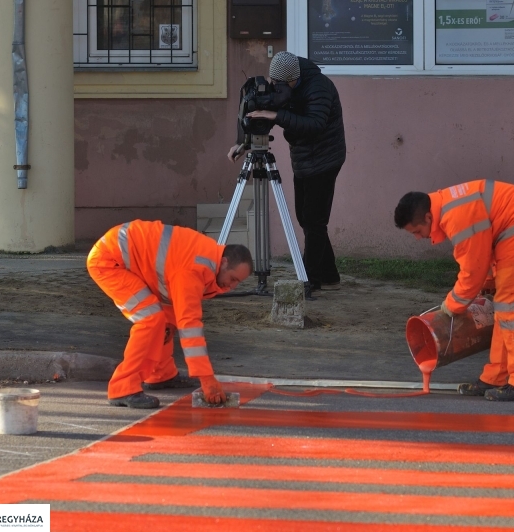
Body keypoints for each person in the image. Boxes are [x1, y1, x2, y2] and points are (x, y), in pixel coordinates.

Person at [394, 180, 514, 401]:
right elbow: (482, 249)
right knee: (504, 312)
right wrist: (490, 280)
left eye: (417, 231)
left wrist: (453, 305)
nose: (418, 237)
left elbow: (473, 268)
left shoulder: (456, 216)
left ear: (428, 217)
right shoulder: (449, 204)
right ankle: (496, 376)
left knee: (511, 313)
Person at [86, 220, 253, 409]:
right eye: (232, 279)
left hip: (124, 257)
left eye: (237, 283)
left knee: (168, 315)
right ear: (224, 262)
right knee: (150, 318)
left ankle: (161, 375)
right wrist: (206, 379)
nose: (232, 287)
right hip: (109, 261)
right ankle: (122, 388)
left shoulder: (208, 257)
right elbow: (189, 325)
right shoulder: (194, 269)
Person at [228, 51, 346, 292]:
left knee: (313, 220)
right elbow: (266, 113)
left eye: (283, 85)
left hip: (325, 159)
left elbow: (314, 124)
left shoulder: (319, 87)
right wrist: (244, 143)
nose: (279, 88)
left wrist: (278, 115)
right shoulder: (285, 82)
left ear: (294, 79)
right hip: (303, 158)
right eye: (276, 84)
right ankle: (329, 274)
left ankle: (310, 279)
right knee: (308, 218)